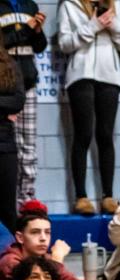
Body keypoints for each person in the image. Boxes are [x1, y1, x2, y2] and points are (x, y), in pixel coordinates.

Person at [57, 0, 120, 215]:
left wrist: (112, 25)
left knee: (106, 135)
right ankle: (81, 196)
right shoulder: (68, 5)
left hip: (110, 75)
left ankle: (108, 195)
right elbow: (65, 43)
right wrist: (93, 26)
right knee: (83, 134)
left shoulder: (115, 3)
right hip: (80, 74)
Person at [0, 0, 45, 208]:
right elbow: (4, 42)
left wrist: (36, 32)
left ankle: (26, 200)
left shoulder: (30, 5)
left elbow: (40, 46)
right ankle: (10, 201)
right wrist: (26, 30)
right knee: (12, 146)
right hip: (5, 83)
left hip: (27, 82)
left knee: (29, 147)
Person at [0, 47, 23, 233]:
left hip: (5, 145)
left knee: (8, 208)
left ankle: (13, 259)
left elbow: (18, 101)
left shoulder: (10, 64)